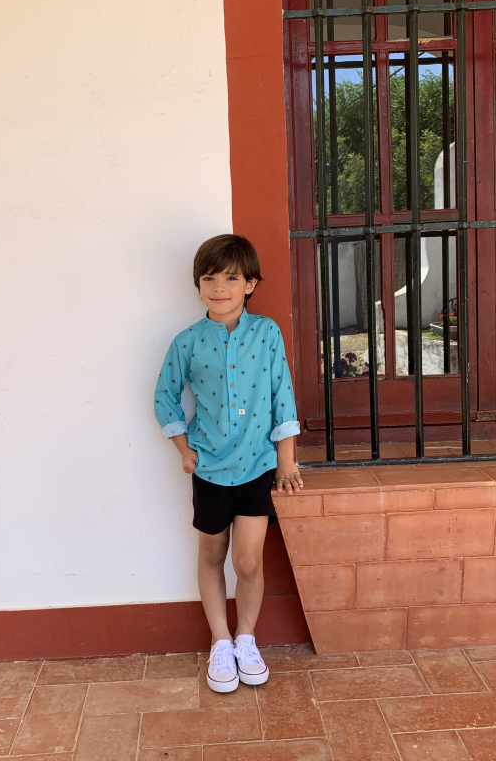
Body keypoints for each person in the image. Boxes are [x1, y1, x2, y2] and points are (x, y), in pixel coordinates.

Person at [153, 234, 304, 693]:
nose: (219, 287)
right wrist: (184, 449)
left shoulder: (267, 333)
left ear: (250, 284)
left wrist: (286, 459)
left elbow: (282, 394)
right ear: (198, 284)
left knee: (248, 559)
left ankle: (246, 638)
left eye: (232, 278)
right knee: (212, 554)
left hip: (258, 466)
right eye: (209, 278)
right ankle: (220, 641)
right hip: (211, 469)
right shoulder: (187, 342)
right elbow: (164, 396)